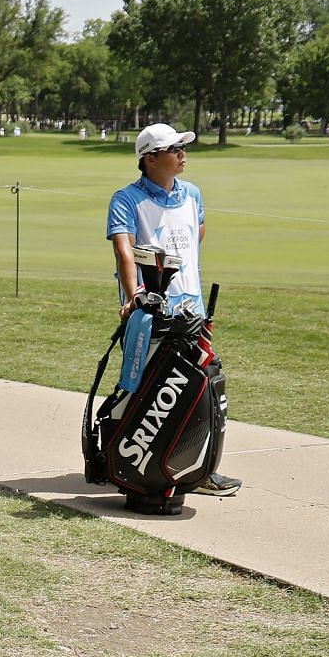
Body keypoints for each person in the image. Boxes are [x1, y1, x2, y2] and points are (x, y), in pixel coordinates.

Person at [106, 122, 240, 497]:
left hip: (192, 311)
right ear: (150, 159)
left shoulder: (192, 194)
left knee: (198, 389)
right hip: (151, 315)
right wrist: (134, 297)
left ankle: (193, 468)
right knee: (145, 393)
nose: (182, 153)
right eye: (173, 149)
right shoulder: (127, 199)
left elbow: (197, 234)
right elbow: (124, 251)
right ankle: (134, 465)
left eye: (183, 147)